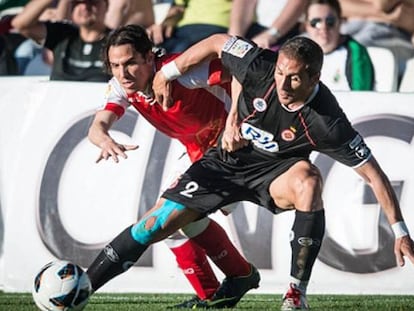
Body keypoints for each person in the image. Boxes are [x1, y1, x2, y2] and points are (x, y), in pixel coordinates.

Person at [85, 32, 414, 311]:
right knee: (158, 224)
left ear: (315, 78)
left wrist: (400, 231)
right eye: (280, 73)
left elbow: (374, 174)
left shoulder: (327, 122)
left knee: (309, 180)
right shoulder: (262, 68)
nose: (282, 83)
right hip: (223, 160)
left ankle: (295, 293)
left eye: (294, 77)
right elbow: (219, 42)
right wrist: (168, 74)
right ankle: (82, 290)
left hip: (273, 171)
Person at [86, 24, 260, 309]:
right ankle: (222, 288)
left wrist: (235, 122)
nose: (122, 73)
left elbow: (241, 70)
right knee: (172, 228)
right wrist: (103, 138)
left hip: (235, 150)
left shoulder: (181, 71)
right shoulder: (122, 85)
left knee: (161, 220)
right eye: (115, 65)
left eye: (130, 63)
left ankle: (239, 276)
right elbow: (97, 126)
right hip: (199, 154)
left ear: (149, 57)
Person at [11, 0, 111, 81]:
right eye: (77, 2)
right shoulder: (62, 34)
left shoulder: (116, 41)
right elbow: (21, 25)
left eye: (92, 1)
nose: (84, 7)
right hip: (58, 102)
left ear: (106, 5)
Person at [303, 0, 374, 90]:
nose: (324, 27)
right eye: (316, 22)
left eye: (330, 22)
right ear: (306, 26)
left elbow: (360, 98)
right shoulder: (301, 54)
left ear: (340, 22)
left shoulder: (355, 51)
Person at [338, 0, 414, 81]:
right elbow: (337, 6)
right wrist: (385, 16)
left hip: (392, 39)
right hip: (350, 31)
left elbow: (382, 5)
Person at [229, 0, 309, 50]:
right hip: (256, 30)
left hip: (288, 33)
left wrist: (270, 35)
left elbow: (298, 3)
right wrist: (234, 37)